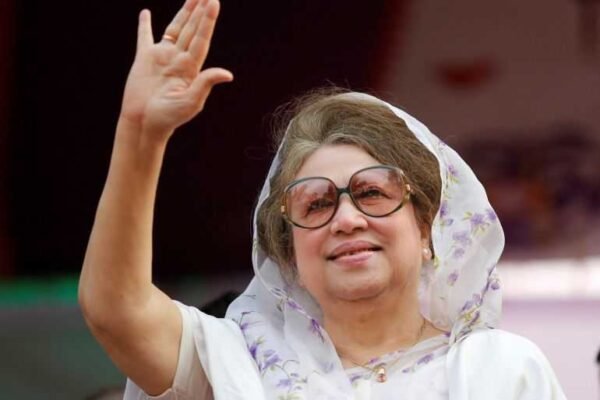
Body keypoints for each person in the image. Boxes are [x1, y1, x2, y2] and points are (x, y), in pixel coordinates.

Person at [78, 0, 567, 399]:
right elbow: (117, 311)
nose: (347, 219)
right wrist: (140, 134)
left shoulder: (501, 370)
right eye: (315, 204)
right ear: (290, 252)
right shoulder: (237, 362)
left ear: (426, 227)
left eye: (371, 193)